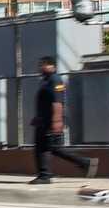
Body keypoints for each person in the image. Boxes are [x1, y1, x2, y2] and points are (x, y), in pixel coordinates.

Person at [30, 56, 99, 184]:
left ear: (52, 66)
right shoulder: (45, 80)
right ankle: (44, 175)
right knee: (41, 148)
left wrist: (57, 121)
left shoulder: (56, 79)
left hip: (51, 122)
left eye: (43, 64)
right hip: (43, 121)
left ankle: (85, 162)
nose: (40, 67)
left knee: (55, 148)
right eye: (40, 64)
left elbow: (58, 101)